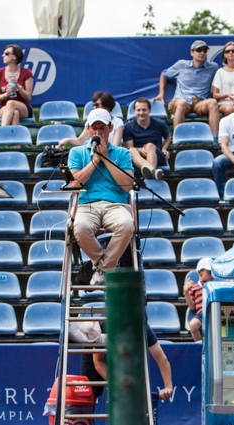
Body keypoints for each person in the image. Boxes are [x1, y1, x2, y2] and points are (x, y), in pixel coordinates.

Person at [66, 108, 135, 285]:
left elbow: (127, 185)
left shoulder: (122, 153)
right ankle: (106, 267)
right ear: (88, 129)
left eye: (102, 128)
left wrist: (106, 158)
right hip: (86, 205)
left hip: (116, 204)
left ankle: (102, 270)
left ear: (110, 128)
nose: (98, 133)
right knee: (80, 227)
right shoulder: (76, 152)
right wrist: (95, 160)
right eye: (94, 128)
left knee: (127, 225)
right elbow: (75, 183)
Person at [84, 323, 174, 402]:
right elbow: (98, 362)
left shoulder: (143, 328)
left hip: (124, 357)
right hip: (96, 357)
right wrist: (114, 384)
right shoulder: (104, 328)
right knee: (90, 397)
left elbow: (162, 360)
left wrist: (168, 386)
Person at [155, 40, 220, 136]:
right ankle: (178, 139)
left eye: (204, 50)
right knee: (182, 103)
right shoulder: (181, 64)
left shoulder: (213, 67)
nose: (202, 53)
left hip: (200, 103)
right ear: (192, 52)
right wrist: (161, 93)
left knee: (213, 102)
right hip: (182, 100)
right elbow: (164, 74)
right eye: (199, 50)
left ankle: (214, 140)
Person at [123, 97, 171, 180]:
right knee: (131, 151)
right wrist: (141, 149)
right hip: (138, 156)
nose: (141, 113)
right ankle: (153, 171)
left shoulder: (159, 124)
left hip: (156, 154)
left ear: (149, 110)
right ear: (134, 111)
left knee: (150, 145)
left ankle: (150, 171)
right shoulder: (128, 127)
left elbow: (168, 137)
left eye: (144, 110)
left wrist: (164, 149)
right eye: (138, 110)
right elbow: (130, 146)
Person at [59, 92, 125, 148]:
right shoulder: (90, 121)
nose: (94, 107)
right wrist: (67, 140)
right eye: (94, 105)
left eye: (97, 105)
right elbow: (80, 140)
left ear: (106, 105)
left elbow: (115, 146)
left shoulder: (118, 122)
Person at [0, 44, 33, 126]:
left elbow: (28, 97)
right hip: (3, 107)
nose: (3, 55)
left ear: (14, 56)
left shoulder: (26, 72)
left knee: (11, 103)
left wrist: (17, 85)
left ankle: (2, 132)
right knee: (15, 113)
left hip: (23, 106)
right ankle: (16, 138)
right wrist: (6, 94)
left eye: (6, 53)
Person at [183, 258, 213, 342]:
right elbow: (192, 307)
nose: (212, 275)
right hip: (202, 314)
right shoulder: (194, 287)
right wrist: (186, 291)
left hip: (216, 312)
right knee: (193, 325)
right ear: (200, 272)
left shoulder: (215, 286)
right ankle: (201, 347)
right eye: (209, 272)